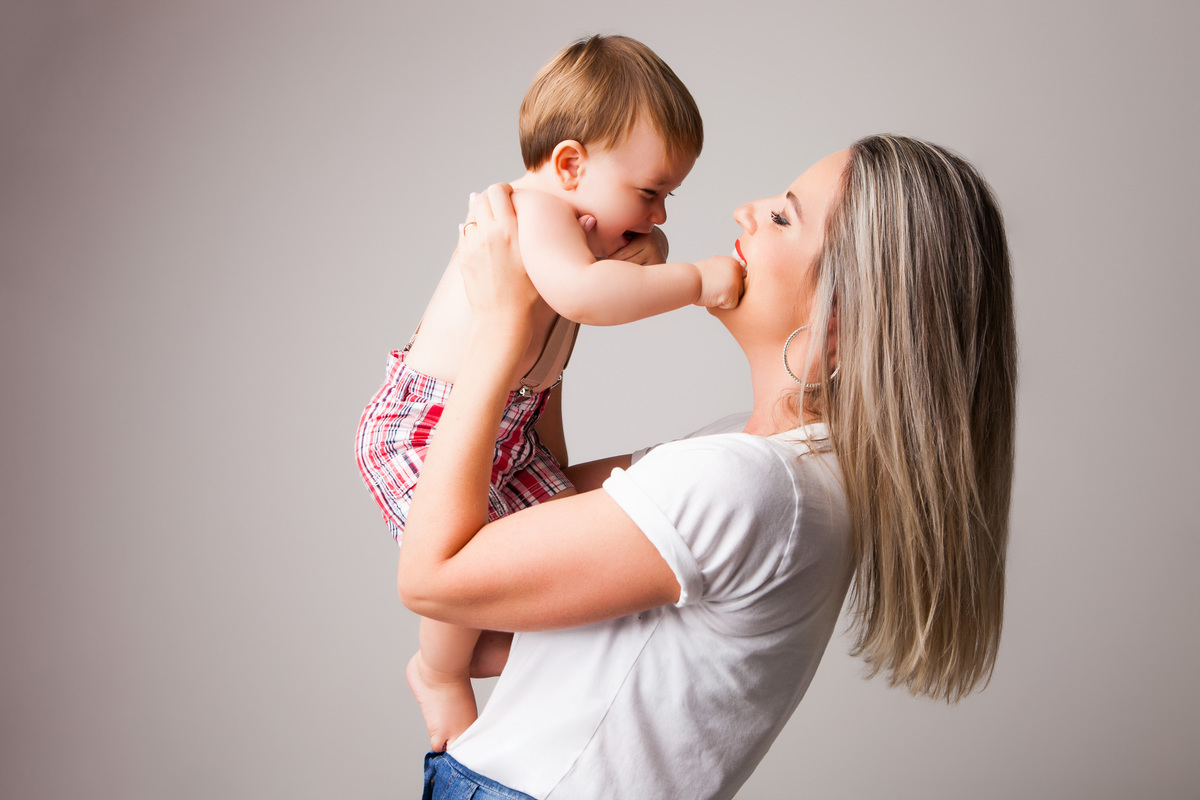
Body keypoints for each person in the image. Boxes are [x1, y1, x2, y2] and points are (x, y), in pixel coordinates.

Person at [398, 134, 1017, 800]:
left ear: (840, 321)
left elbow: (437, 574)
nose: (744, 213)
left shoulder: (750, 486)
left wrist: (500, 328)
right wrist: (558, 306)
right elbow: (524, 510)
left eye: (783, 216)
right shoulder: (766, 465)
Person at [355, 34, 744, 752]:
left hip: (511, 431)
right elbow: (585, 296)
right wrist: (693, 280)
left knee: (558, 579)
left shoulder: (575, 222)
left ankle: (466, 648)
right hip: (426, 425)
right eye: (649, 192)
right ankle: (439, 673)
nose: (658, 216)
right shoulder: (531, 212)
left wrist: (642, 248)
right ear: (570, 164)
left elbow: (598, 285)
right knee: (466, 563)